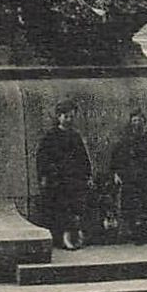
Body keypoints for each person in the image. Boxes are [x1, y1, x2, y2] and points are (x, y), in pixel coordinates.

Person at [36, 102, 93, 250]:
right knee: (58, 209)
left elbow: (83, 158)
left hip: (74, 180)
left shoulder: (75, 136)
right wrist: (44, 176)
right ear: (59, 117)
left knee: (74, 209)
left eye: (71, 117)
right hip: (57, 181)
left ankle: (73, 238)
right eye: (65, 116)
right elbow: (42, 157)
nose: (69, 119)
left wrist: (88, 175)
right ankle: (59, 239)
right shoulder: (50, 136)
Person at [109, 108, 147, 242]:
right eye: (134, 120)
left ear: (144, 122)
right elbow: (116, 157)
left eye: (139, 120)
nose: (137, 123)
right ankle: (136, 235)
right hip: (131, 179)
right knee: (133, 208)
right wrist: (116, 173)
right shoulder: (126, 140)